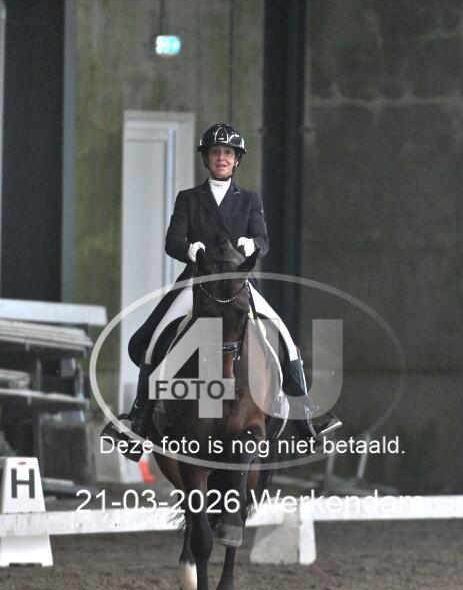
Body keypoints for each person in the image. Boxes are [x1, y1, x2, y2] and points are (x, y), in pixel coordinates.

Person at [106, 123, 340, 458]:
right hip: (198, 281)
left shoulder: (250, 200)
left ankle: (306, 424)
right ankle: (139, 420)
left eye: (227, 153)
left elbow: (263, 241)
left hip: (238, 283)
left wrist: (252, 245)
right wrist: (190, 249)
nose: (221, 158)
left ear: (236, 160)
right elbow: (173, 241)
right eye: (215, 152)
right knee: (156, 338)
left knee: (285, 338)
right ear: (207, 158)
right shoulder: (189, 198)